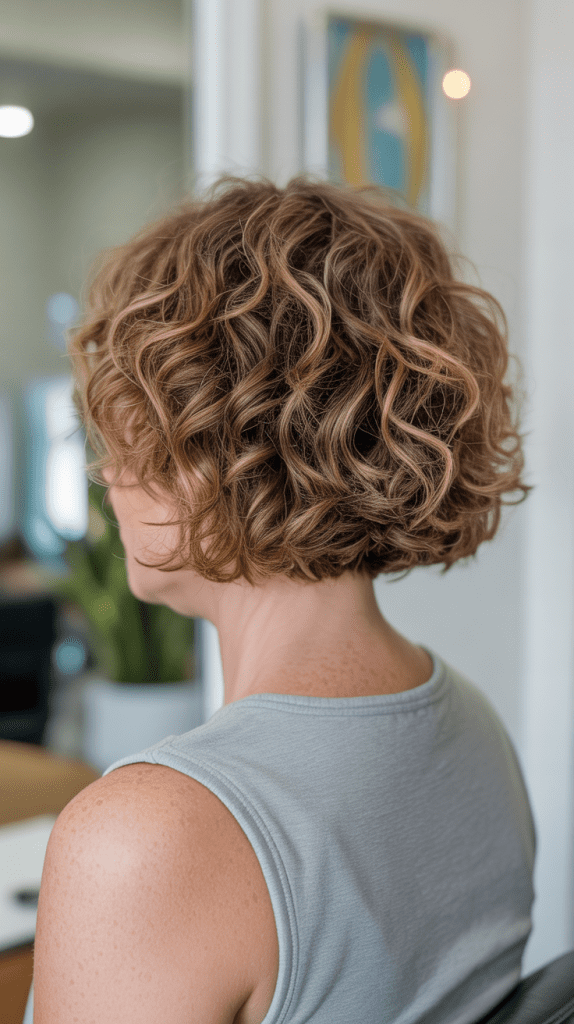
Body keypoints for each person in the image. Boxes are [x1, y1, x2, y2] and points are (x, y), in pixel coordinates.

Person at [33, 174, 536, 1024]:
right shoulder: (473, 726)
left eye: (125, 425)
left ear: (217, 450)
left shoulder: (145, 839)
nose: (105, 470)